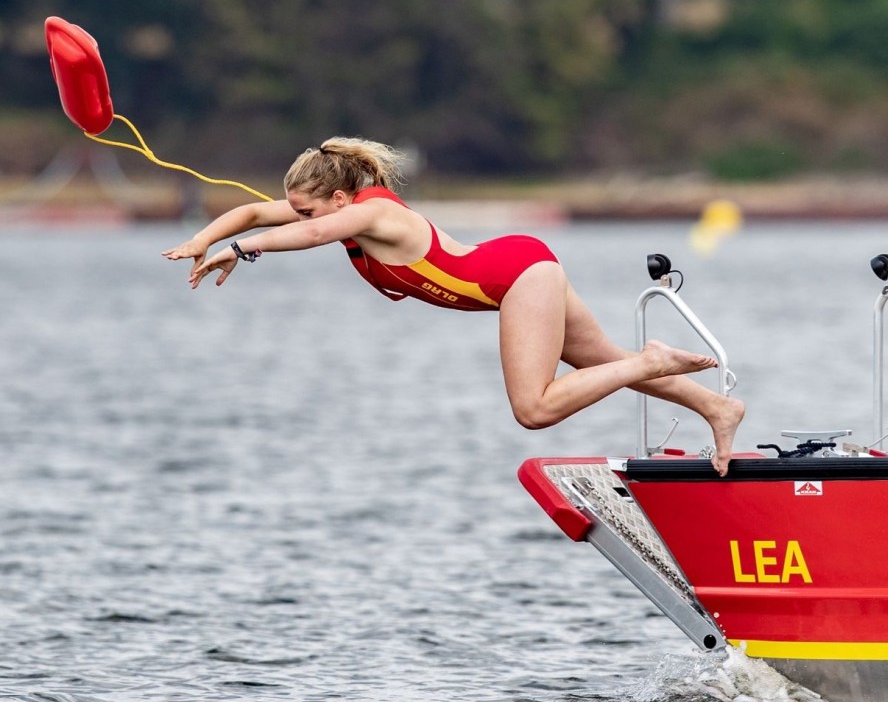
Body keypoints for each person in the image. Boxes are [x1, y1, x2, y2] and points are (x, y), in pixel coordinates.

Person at [163, 137, 744, 474]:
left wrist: (243, 250)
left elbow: (306, 235)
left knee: (534, 409)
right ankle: (717, 410)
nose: (300, 218)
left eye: (308, 209)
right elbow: (254, 213)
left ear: (338, 198)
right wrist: (204, 239)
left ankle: (650, 360)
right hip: (520, 269)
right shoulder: (337, 213)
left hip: (516, 277)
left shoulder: (372, 213)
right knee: (597, 361)